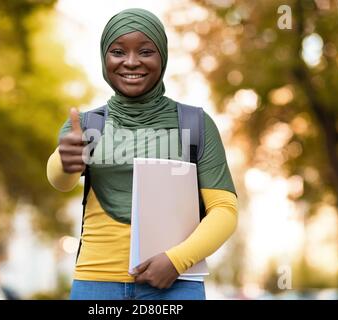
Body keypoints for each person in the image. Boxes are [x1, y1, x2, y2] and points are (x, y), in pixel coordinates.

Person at [47, 8, 238, 300]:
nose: (131, 62)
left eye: (146, 51)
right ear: (104, 58)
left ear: (162, 56)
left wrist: (177, 260)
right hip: (95, 283)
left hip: (177, 284)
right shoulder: (85, 125)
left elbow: (224, 210)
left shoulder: (196, 124)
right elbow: (60, 181)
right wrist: (65, 161)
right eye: (118, 51)